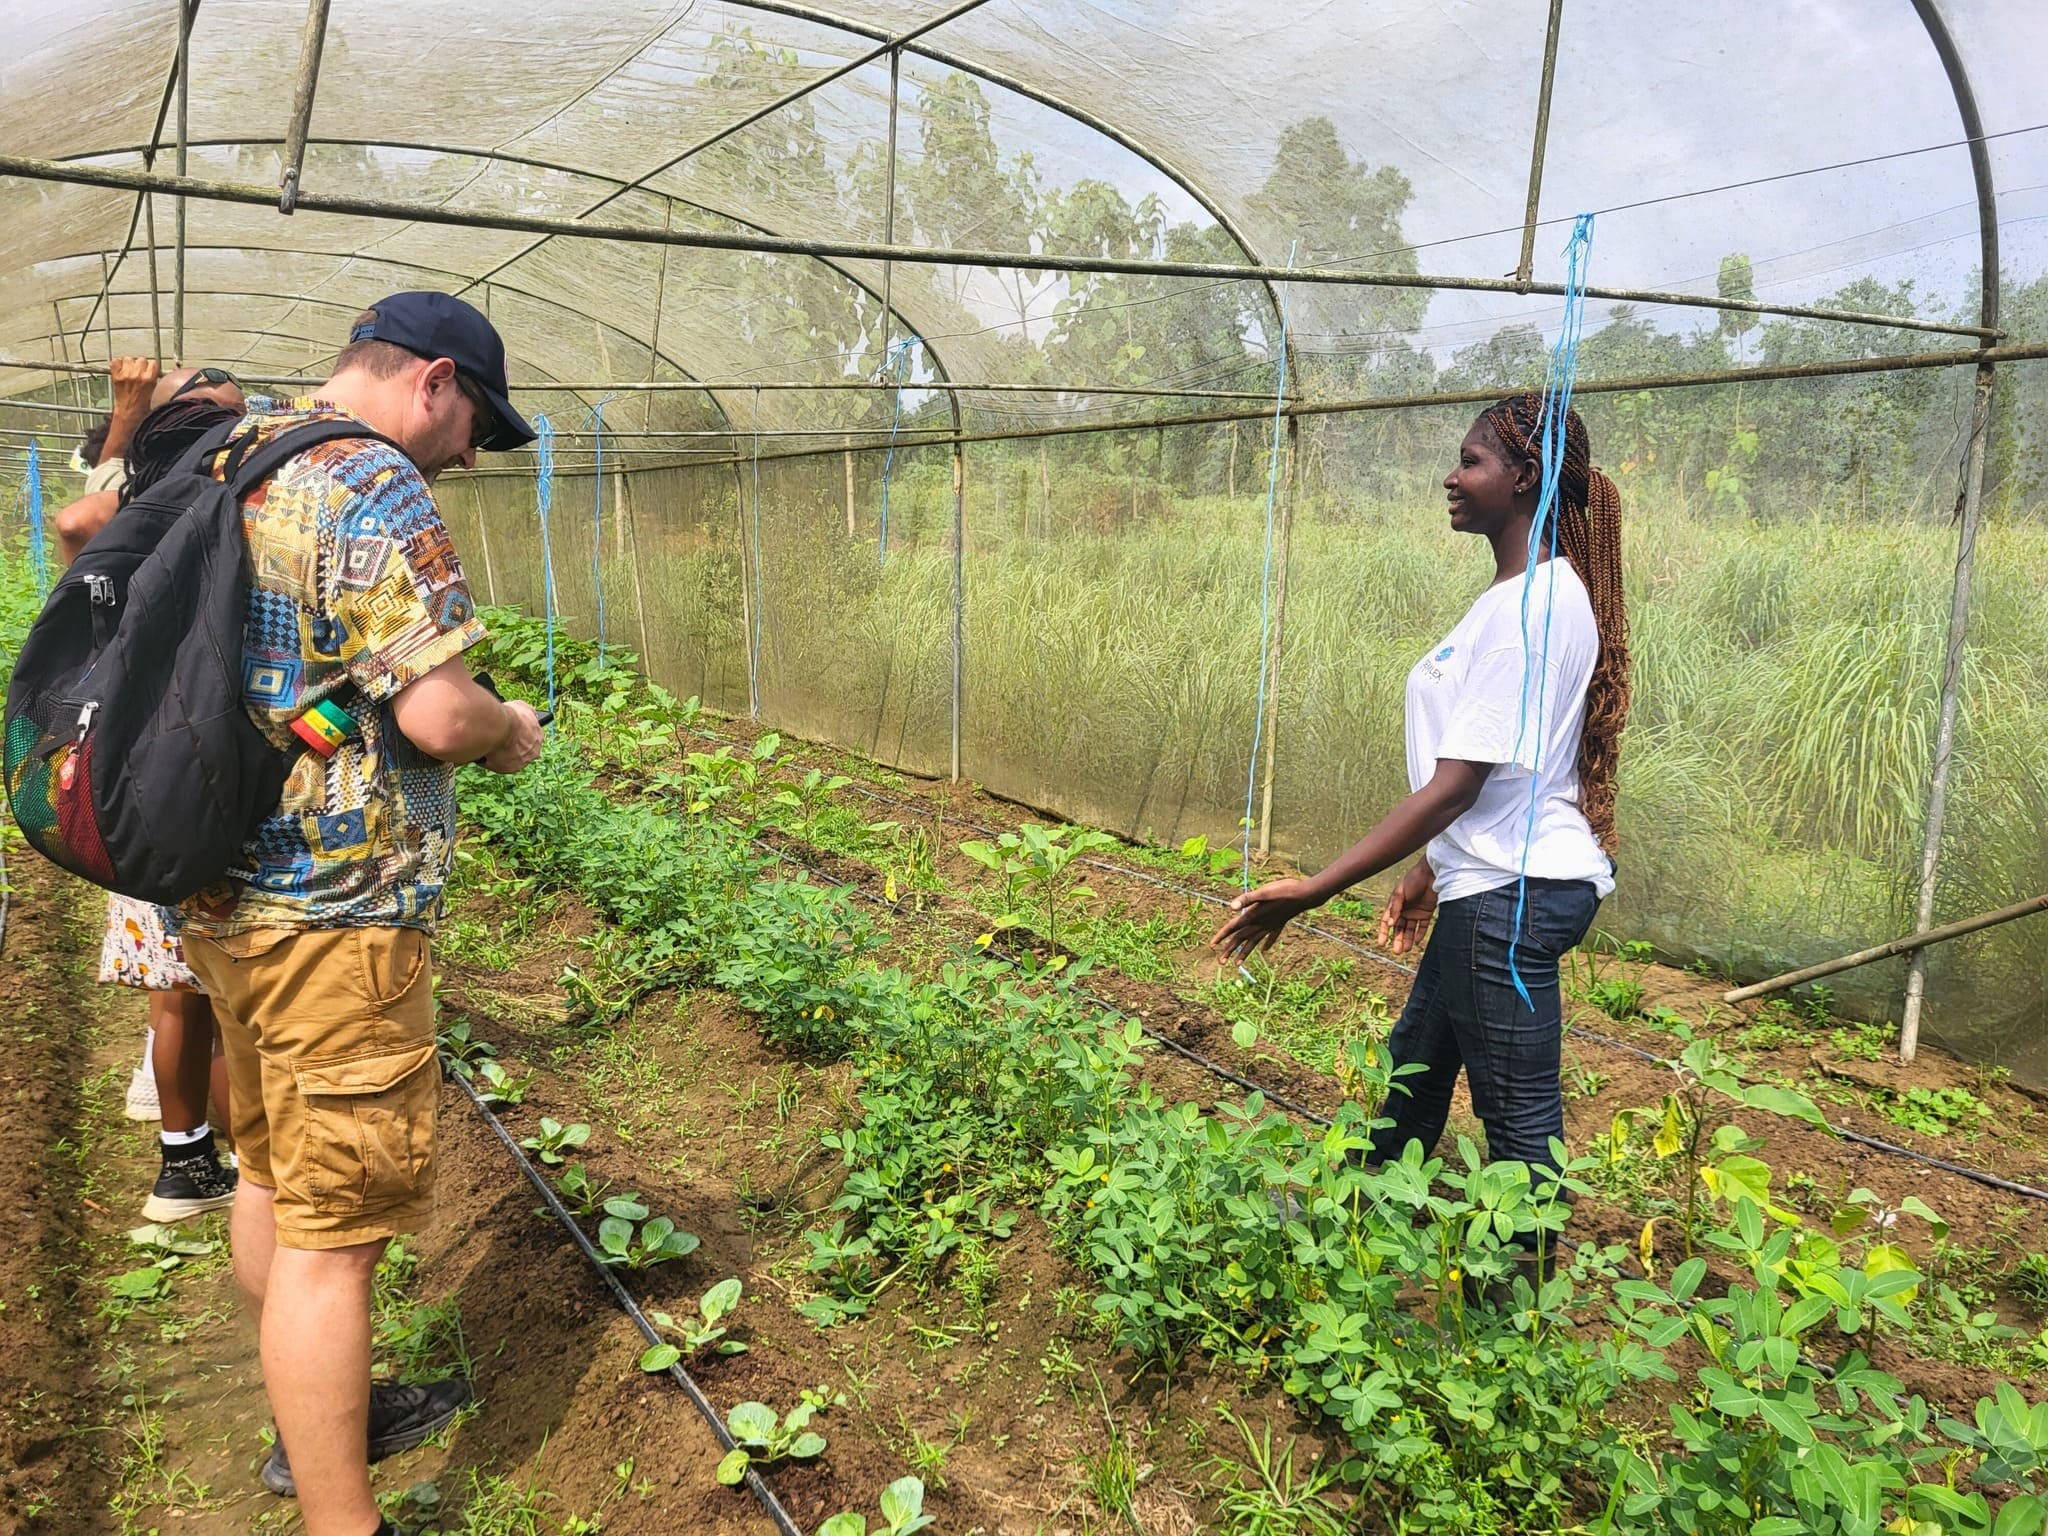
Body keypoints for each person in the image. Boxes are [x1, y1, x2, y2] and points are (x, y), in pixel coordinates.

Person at [169, 292, 542, 1536]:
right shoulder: (372, 482)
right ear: (434, 380)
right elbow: (436, 715)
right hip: (336, 915)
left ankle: (311, 1426)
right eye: (473, 429)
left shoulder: (234, 454)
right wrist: (507, 731)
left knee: (272, 1176)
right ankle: (346, 1520)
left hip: (219, 894)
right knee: (338, 1245)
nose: (464, 458)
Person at [1212, 391, 1630, 1197]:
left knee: (1520, 1138)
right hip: (1491, 883)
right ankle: (1357, 1221)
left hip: (1511, 896)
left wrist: (1313, 891)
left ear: (1524, 479)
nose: (1452, 476)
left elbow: (1457, 785)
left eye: (1471, 461)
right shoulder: (1522, 600)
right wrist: (1429, 874)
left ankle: (1514, 1302)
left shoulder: (1530, 611)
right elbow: (1510, 772)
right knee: (1415, 1075)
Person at [53, 361, 251, 1222]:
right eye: (215, 422)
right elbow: (83, 514)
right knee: (209, 991)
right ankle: (246, 1158)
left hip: (126, 780)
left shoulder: (141, 515)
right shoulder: (183, 516)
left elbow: (81, 517)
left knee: (177, 992)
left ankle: (184, 1159)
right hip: (181, 779)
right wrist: (132, 413)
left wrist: (136, 423)